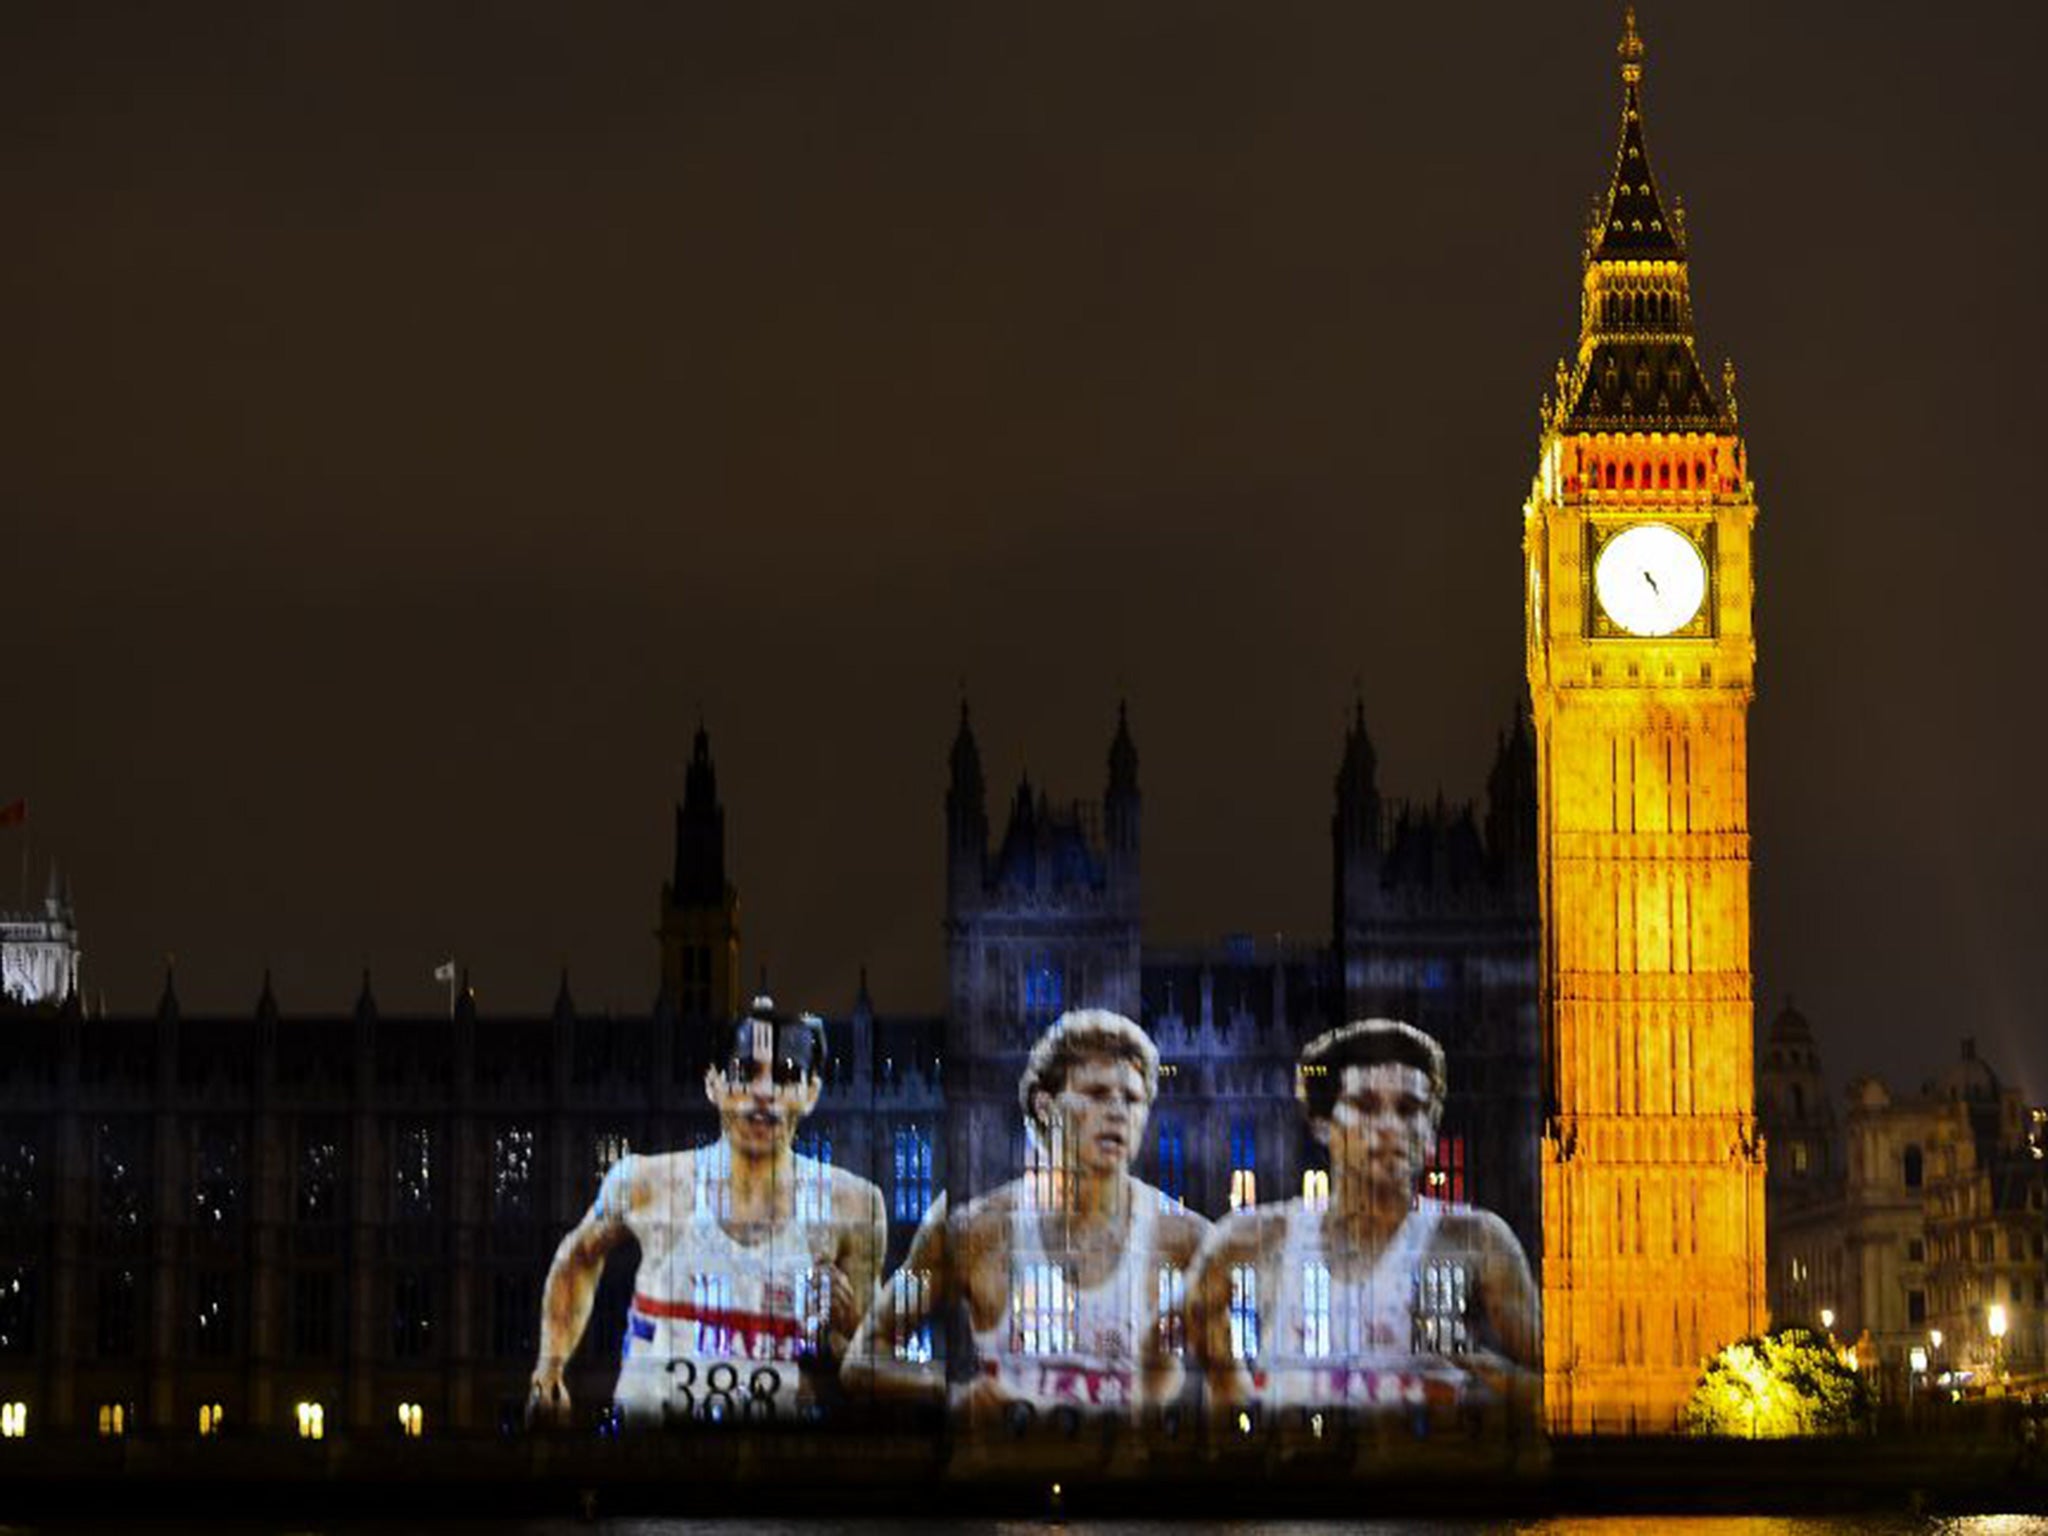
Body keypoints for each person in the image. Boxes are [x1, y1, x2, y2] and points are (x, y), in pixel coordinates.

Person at [844, 1008, 1210, 1426]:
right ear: (1045, 1105)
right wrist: (950, 1390)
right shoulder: (971, 1231)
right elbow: (863, 1360)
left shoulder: (1188, 1239)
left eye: (1131, 1098)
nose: (1117, 1112)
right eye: (1096, 1093)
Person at [529, 999, 886, 1427]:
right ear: (713, 1083)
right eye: (745, 1071)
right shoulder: (645, 1184)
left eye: (786, 1075)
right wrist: (548, 1369)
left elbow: (866, 1363)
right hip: (654, 1451)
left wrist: (846, 1321)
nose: (765, 1091)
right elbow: (577, 1258)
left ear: (811, 1093)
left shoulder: (854, 1206)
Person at [1190, 1018, 1538, 1425]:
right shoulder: (1250, 1237)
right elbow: (1192, 1316)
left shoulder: (1478, 1240)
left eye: (1409, 1109)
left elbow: (1568, 1388)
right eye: (1366, 1105)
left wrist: (1488, 1376)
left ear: (1430, 1132)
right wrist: (1230, 1387)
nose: (1390, 1126)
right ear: (1322, 1123)